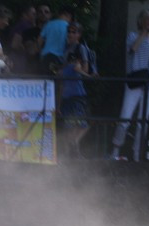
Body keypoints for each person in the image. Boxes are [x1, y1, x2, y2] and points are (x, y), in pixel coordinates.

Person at [110, 9, 149, 162]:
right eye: (148, 19)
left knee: (143, 122)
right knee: (125, 117)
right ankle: (115, 150)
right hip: (134, 83)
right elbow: (133, 49)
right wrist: (144, 32)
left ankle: (137, 155)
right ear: (141, 21)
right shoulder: (133, 36)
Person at [58, 21, 96, 158]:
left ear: (79, 34)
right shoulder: (65, 49)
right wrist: (59, 102)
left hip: (78, 93)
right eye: (69, 31)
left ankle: (74, 148)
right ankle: (71, 153)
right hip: (67, 94)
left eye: (74, 32)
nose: (70, 34)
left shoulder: (81, 48)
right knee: (69, 125)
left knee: (83, 123)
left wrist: (79, 70)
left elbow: (84, 70)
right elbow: (61, 77)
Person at [38, 4, 71, 74]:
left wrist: (40, 53)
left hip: (45, 57)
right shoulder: (68, 27)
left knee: (45, 80)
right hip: (59, 58)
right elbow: (69, 43)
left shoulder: (48, 24)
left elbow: (39, 41)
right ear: (68, 15)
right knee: (56, 81)